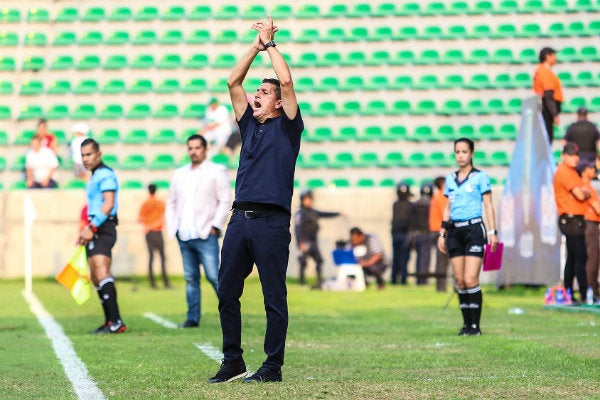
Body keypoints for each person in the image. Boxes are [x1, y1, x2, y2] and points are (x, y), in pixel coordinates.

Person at [209, 17, 303, 384]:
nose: (255, 96)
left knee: (273, 299)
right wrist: (255, 47)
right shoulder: (248, 124)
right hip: (239, 220)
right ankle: (232, 360)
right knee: (227, 292)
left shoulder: (289, 125)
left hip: (271, 222)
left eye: (263, 93)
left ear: (278, 103)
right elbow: (233, 81)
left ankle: (272, 367)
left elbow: (288, 81)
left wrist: (272, 46)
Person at [165, 134, 230, 328]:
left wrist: (215, 226)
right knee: (191, 279)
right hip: (184, 234)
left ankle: (230, 314)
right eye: (190, 148)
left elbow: (225, 200)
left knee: (214, 276)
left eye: (197, 148)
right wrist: (173, 228)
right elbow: (171, 202)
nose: (193, 152)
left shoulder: (216, 171)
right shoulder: (179, 173)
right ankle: (192, 318)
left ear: (205, 149)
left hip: (205, 233)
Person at [437, 138, 498, 336]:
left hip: (473, 229)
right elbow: (447, 207)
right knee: (460, 280)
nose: (460, 155)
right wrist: (442, 233)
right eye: (457, 152)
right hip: (455, 231)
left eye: (464, 151)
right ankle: (466, 325)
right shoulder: (449, 179)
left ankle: (476, 326)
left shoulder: (480, 177)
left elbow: (488, 205)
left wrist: (492, 232)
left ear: (472, 153)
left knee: (471, 278)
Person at [77, 138, 126, 334]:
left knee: (102, 271)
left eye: (89, 154)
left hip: (104, 227)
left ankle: (116, 322)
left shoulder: (105, 174)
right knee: (96, 276)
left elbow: (108, 204)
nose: (85, 159)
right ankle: (109, 322)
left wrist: (92, 227)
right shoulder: (95, 175)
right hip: (95, 226)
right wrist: (86, 228)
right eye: (83, 155)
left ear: (99, 154)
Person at [553, 142, 591, 303]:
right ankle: (582, 293)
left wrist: (584, 191)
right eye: (571, 155)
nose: (575, 158)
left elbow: (583, 191)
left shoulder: (572, 171)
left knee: (574, 257)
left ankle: (568, 291)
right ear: (563, 156)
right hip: (570, 220)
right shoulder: (564, 172)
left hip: (575, 220)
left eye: (576, 155)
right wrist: (585, 192)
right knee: (581, 256)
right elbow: (582, 194)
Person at [293, 189, 342, 288]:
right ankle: (302, 281)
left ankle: (319, 280)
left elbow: (325, 214)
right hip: (305, 241)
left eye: (310, 199)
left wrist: (337, 214)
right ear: (302, 200)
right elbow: (298, 229)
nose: (309, 201)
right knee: (303, 261)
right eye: (307, 199)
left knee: (319, 260)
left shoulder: (313, 212)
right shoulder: (300, 213)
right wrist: (300, 243)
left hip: (313, 241)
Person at [138, 183, 170, 289]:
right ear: (156, 190)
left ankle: (152, 283)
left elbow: (140, 219)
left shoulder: (145, 203)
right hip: (157, 232)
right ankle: (166, 283)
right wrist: (155, 224)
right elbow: (163, 217)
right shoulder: (160, 203)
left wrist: (148, 225)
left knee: (151, 257)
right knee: (162, 257)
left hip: (148, 233)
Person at [578, 160, 600, 302]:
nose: (593, 170)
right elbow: (598, 209)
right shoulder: (585, 187)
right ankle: (592, 291)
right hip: (590, 225)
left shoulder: (586, 187)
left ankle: (589, 290)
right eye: (591, 168)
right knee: (592, 259)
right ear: (584, 171)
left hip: (590, 225)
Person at [533, 47, 563, 143]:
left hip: (542, 107)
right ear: (547, 56)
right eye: (553, 55)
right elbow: (548, 95)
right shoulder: (545, 73)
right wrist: (554, 114)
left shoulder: (540, 70)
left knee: (545, 137)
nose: (555, 58)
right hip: (546, 109)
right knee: (547, 137)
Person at [410, 183, 433, 285]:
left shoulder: (415, 205)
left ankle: (419, 280)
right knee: (425, 259)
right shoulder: (432, 205)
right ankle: (423, 281)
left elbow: (411, 222)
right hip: (426, 234)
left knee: (419, 258)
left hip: (416, 234)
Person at [429, 177, 450, 292]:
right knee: (443, 261)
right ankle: (441, 287)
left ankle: (440, 287)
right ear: (442, 184)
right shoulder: (442, 196)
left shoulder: (436, 196)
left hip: (436, 230)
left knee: (441, 260)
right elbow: (445, 214)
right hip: (441, 231)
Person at [390, 182, 413, 284]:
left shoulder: (395, 204)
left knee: (396, 257)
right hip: (404, 235)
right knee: (403, 257)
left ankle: (395, 279)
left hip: (396, 234)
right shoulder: (410, 206)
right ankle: (402, 279)